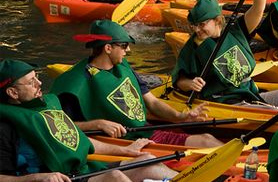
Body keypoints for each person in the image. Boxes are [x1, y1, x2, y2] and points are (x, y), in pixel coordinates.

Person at [0, 59, 178, 182]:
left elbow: (80, 141)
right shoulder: (5, 127)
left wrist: (128, 151)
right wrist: (40, 177)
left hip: (80, 171)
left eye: (37, 77)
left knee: (146, 159)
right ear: (12, 92)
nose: (39, 83)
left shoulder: (43, 107)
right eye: (31, 82)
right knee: (113, 177)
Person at [50, 20, 222, 147]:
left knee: (206, 137)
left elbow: (152, 103)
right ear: (108, 48)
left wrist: (182, 116)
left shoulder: (123, 67)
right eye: (124, 46)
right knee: (205, 141)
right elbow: (58, 127)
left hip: (143, 130)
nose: (128, 50)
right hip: (126, 141)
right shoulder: (75, 83)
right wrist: (98, 124)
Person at [171, 0, 278, 109]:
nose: (197, 29)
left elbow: (258, 7)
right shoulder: (194, 45)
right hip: (225, 101)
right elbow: (180, 79)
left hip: (251, 94)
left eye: (202, 24)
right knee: (276, 112)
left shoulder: (235, 30)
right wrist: (191, 84)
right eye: (194, 25)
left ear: (217, 20)